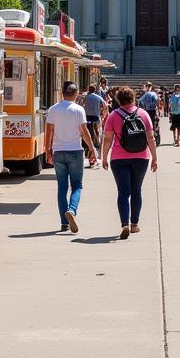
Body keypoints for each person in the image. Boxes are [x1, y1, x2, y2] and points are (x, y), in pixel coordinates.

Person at [101, 85, 159, 239]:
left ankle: (124, 224)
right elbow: (151, 138)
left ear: (118, 100)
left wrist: (104, 156)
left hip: (119, 158)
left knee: (123, 192)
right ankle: (134, 224)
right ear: (134, 99)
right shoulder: (143, 114)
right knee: (136, 191)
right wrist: (154, 157)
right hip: (141, 157)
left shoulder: (113, 115)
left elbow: (107, 139)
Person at [46, 80, 98, 233]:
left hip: (59, 152)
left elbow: (49, 131)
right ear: (76, 94)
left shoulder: (53, 110)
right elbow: (84, 132)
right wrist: (92, 149)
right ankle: (72, 210)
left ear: (62, 93)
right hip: (75, 151)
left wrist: (47, 150)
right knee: (77, 185)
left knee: (62, 187)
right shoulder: (79, 110)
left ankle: (64, 223)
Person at [83, 83, 108, 166]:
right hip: (95, 117)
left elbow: (82, 104)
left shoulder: (86, 97)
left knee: (86, 133)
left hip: (86, 117)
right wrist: (103, 112)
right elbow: (105, 104)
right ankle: (96, 147)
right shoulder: (98, 97)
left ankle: (87, 148)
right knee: (96, 134)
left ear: (88, 90)